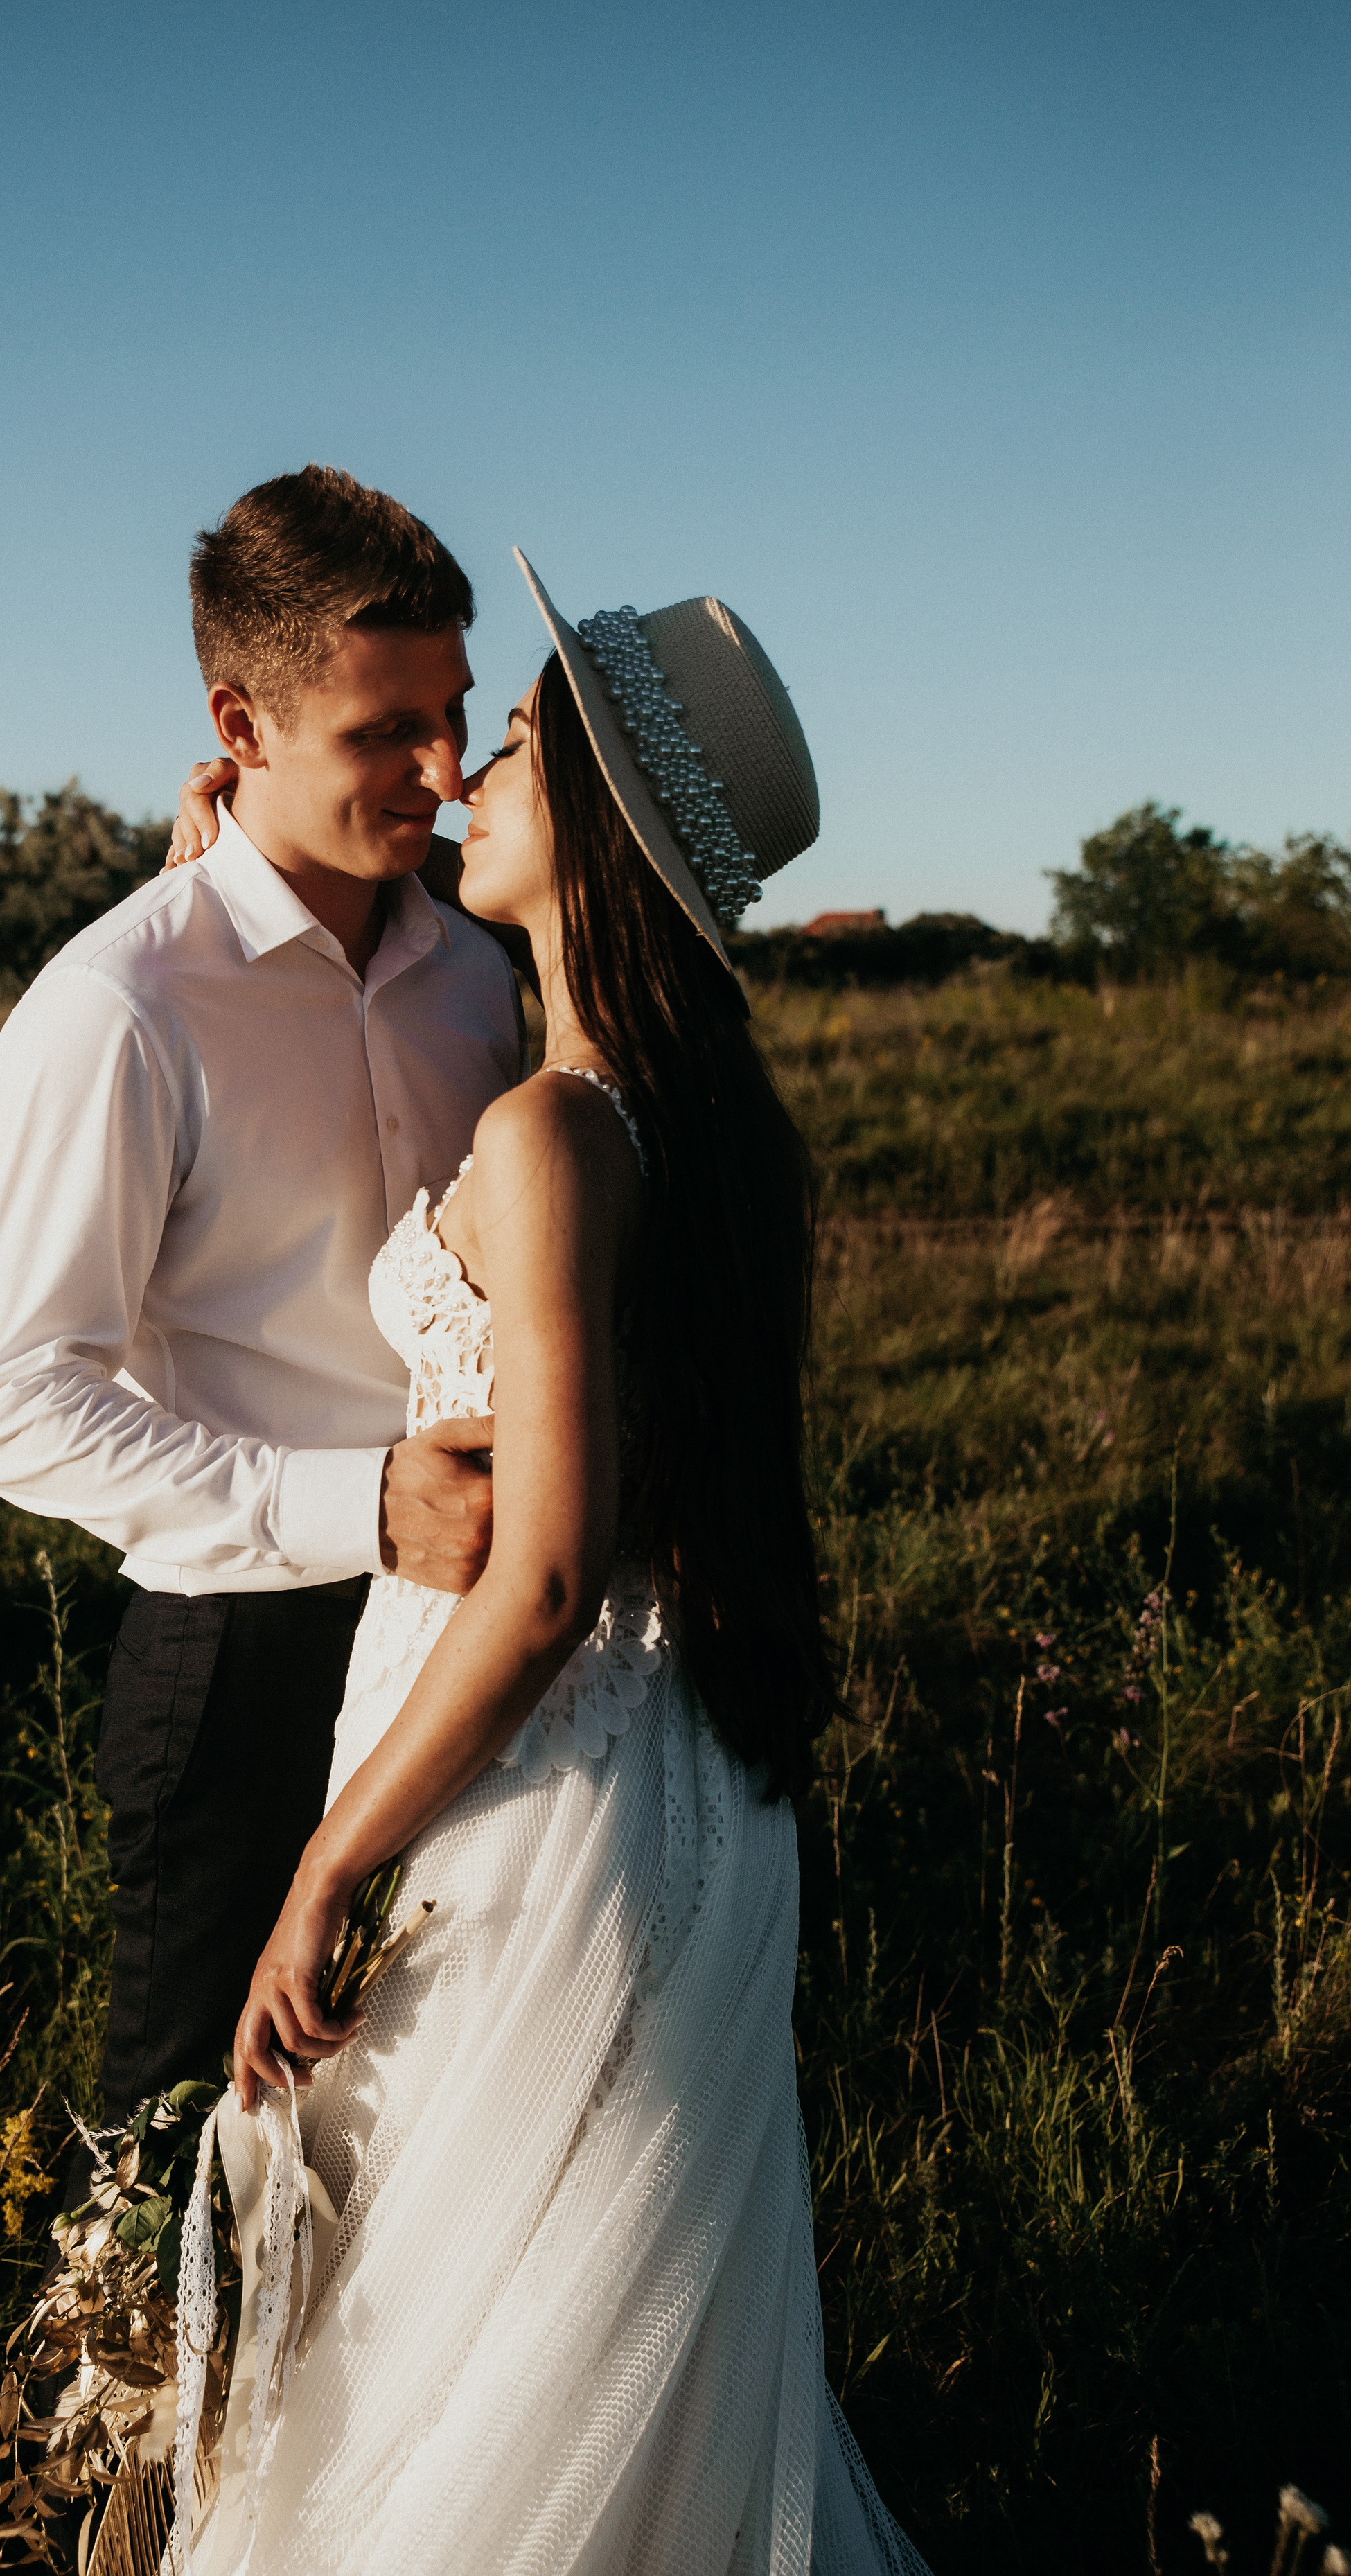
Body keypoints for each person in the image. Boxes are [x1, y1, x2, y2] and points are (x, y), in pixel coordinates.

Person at [166, 554, 930, 2575]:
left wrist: (323, 1873)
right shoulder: (703, 1120)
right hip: (686, 1784)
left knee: (465, 2352)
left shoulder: (552, 1133)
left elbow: (549, 1575)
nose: (461, 779)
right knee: (598, 2341)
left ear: (590, 818)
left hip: (548, 1801)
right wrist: (226, 866)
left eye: (503, 749)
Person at [0, 467, 527, 2154]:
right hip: (241, 1656)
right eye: (378, 735)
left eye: (451, 722)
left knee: (421, 2144)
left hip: (477, 1641)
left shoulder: (482, 972)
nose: (436, 774)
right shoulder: (120, 1007)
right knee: (188, 2159)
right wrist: (358, 1506)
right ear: (239, 721)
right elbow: (20, 1402)